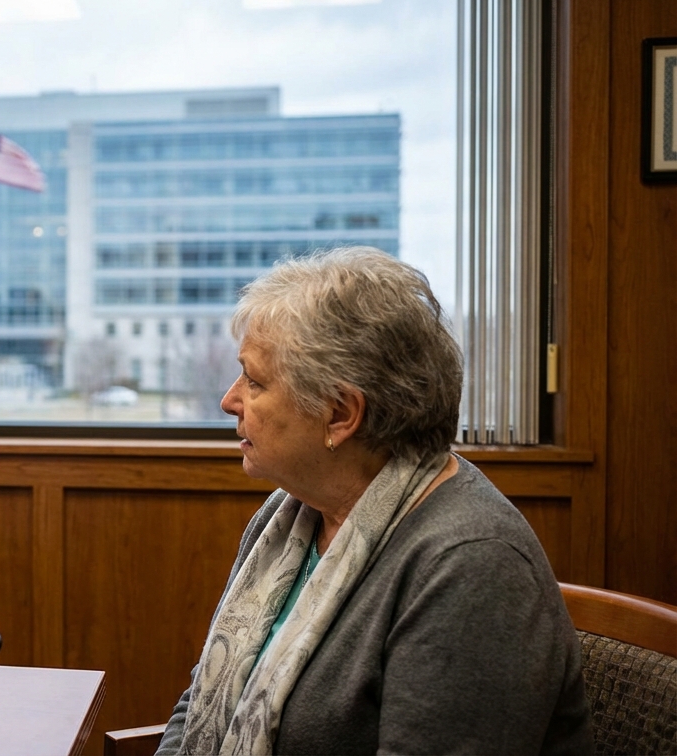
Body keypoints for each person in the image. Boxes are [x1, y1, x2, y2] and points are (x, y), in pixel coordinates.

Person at [158, 247, 592, 755]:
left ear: (341, 415)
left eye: (255, 381)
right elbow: (202, 703)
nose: (229, 400)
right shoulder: (287, 517)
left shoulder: (473, 565)